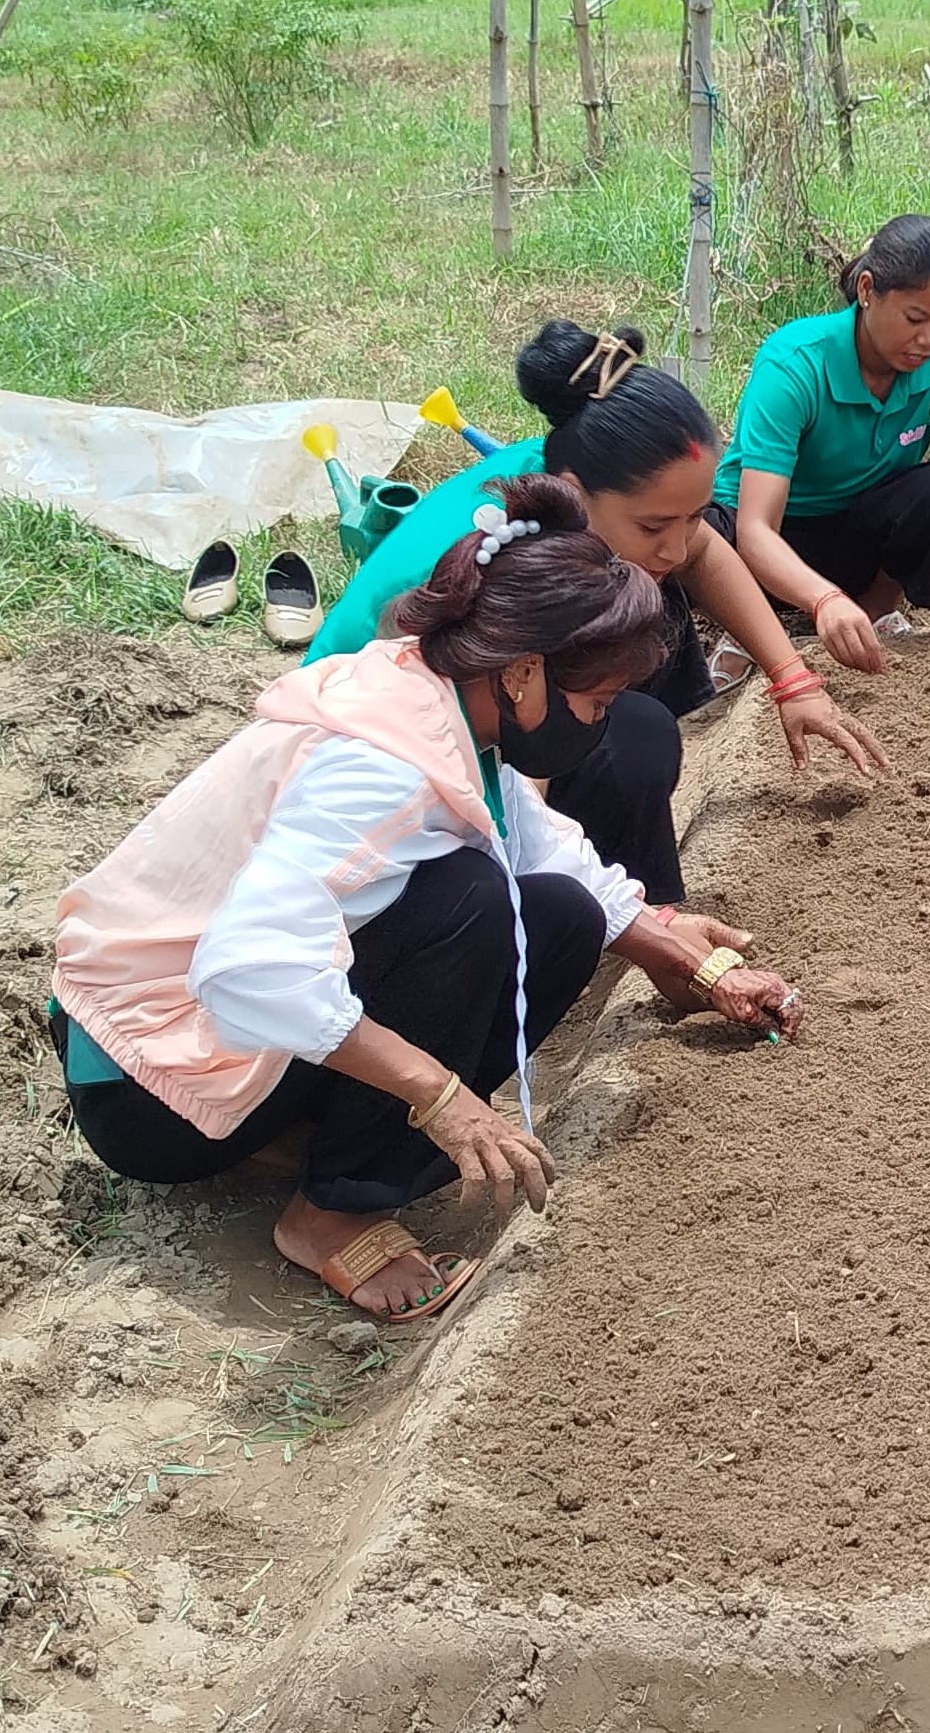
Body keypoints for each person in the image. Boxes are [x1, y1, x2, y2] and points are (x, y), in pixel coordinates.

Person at [53, 476, 802, 1323]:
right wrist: (439, 1094)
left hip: (223, 1038)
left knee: (560, 915)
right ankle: (332, 1212)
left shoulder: (444, 701)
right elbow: (245, 968)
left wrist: (676, 953)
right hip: (145, 1081)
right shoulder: (381, 764)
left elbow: (535, 839)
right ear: (523, 674)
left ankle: (311, 1134)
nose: (599, 727)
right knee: (471, 899)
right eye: (594, 703)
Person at [311, 323, 888, 908]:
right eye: (653, 526)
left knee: (630, 701)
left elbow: (706, 553)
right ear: (573, 492)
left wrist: (793, 680)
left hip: (471, 720)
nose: (679, 547)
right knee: (633, 740)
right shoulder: (504, 558)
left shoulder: (566, 477)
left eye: (692, 517)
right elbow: (499, 734)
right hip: (361, 775)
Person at [711, 215, 930, 660]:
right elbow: (755, 529)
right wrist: (823, 600)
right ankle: (750, 631)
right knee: (705, 535)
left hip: (856, 531)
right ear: (867, 291)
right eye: (915, 318)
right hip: (767, 536)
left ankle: (872, 612)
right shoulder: (794, 363)